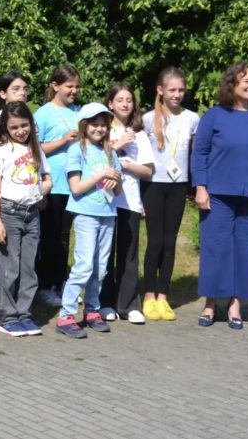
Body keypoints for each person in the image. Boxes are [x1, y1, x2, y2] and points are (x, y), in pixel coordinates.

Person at [193, 62, 248, 330]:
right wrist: (200, 186)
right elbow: (200, 153)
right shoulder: (215, 115)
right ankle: (210, 302)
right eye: (247, 80)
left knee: (247, 250)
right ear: (232, 83)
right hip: (218, 194)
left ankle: (235, 304)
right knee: (216, 248)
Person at [55, 103, 123, 339]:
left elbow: (118, 190)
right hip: (85, 214)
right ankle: (66, 314)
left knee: (100, 268)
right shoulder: (76, 150)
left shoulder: (111, 153)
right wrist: (100, 176)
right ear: (84, 126)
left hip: (108, 214)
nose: (100, 129)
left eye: (104, 125)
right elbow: (75, 188)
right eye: (95, 124)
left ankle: (92, 310)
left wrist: (116, 181)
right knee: (84, 266)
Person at [0, 101, 51, 337]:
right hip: (8, 213)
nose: (20, 131)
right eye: (14, 127)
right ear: (6, 128)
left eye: (24, 126)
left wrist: (40, 191)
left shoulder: (36, 150)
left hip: (32, 214)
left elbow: (47, 179)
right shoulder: (2, 151)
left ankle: (24, 313)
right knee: (8, 267)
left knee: (28, 267)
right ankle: (6, 316)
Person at [141, 67, 200, 322]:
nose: (177, 95)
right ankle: (148, 295)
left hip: (178, 186)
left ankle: (164, 296)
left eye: (181, 90)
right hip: (154, 184)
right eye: (172, 90)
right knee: (154, 241)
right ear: (160, 91)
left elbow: (196, 155)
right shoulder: (147, 119)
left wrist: (198, 186)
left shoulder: (193, 119)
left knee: (170, 242)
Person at [99, 83, 154, 324]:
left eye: (129, 100)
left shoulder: (139, 134)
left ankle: (129, 304)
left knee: (129, 254)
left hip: (129, 200)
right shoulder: (101, 129)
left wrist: (126, 164)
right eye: (119, 99)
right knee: (105, 254)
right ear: (110, 103)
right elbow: (95, 157)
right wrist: (117, 146)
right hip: (104, 201)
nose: (124, 104)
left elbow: (148, 170)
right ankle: (105, 303)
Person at [33, 64, 82, 306]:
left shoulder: (79, 112)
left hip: (76, 185)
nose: (74, 91)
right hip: (53, 185)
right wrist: (62, 141)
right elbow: (33, 148)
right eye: (69, 86)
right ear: (55, 86)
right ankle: (43, 285)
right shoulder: (43, 114)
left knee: (65, 237)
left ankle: (59, 282)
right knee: (49, 237)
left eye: (76, 86)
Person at [0, 72, 30, 147]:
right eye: (16, 89)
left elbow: (35, 146)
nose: (22, 93)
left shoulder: (30, 117)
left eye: (25, 89)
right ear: (3, 94)